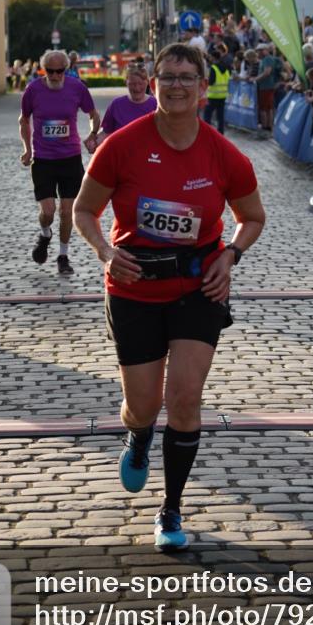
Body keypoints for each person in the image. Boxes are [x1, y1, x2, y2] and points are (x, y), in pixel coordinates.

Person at [73, 43, 265, 550]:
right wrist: (105, 253)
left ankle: (171, 509)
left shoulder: (225, 155)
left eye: (186, 77)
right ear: (153, 84)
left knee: (183, 400)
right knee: (143, 406)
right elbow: (84, 211)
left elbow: (253, 218)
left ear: (204, 88)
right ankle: (137, 435)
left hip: (198, 289)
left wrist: (231, 255)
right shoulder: (121, 145)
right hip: (134, 287)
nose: (176, 85)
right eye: (167, 77)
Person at [19, 49, 101, 276]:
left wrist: (93, 134)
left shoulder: (77, 88)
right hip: (43, 159)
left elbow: (93, 114)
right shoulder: (33, 90)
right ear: (43, 69)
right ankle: (45, 234)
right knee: (48, 211)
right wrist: (27, 149)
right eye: (50, 71)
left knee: (67, 212)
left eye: (60, 71)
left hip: (70, 158)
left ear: (66, 69)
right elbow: (24, 120)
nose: (55, 76)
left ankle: (63, 256)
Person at [98, 63, 157, 141]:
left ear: (147, 82)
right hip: (121, 152)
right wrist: (94, 141)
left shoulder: (156, 105)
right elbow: (105, 132)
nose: (137, 88)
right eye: (132, 84)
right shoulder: (116, 105)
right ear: (126, 82)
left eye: (141, 84)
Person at [204, 44, 231, 134]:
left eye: (211, 57)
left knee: (207, 115)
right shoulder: (226, 67)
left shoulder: (214, 68)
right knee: (220, 116)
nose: (210, 59)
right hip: (223, 95)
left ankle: (206, 132)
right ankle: (221, 133)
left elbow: (211, 82)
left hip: (213, 95)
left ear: (214, 57)